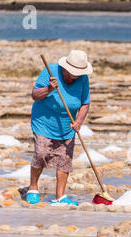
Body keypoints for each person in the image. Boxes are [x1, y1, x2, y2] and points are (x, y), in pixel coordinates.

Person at [26, 50, 93, 206]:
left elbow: (85, 103)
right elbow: (35, 95)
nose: (74, 76)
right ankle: (33, 188)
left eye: (77, 73)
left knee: (64, 159)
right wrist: (49, 89)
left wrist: (79, 122)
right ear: (64, 67)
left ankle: (60, 196)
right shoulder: (51, 71)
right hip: (43, 121)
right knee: (41, 153)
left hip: (67, 124)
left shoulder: (83, 79)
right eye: (72, 73)